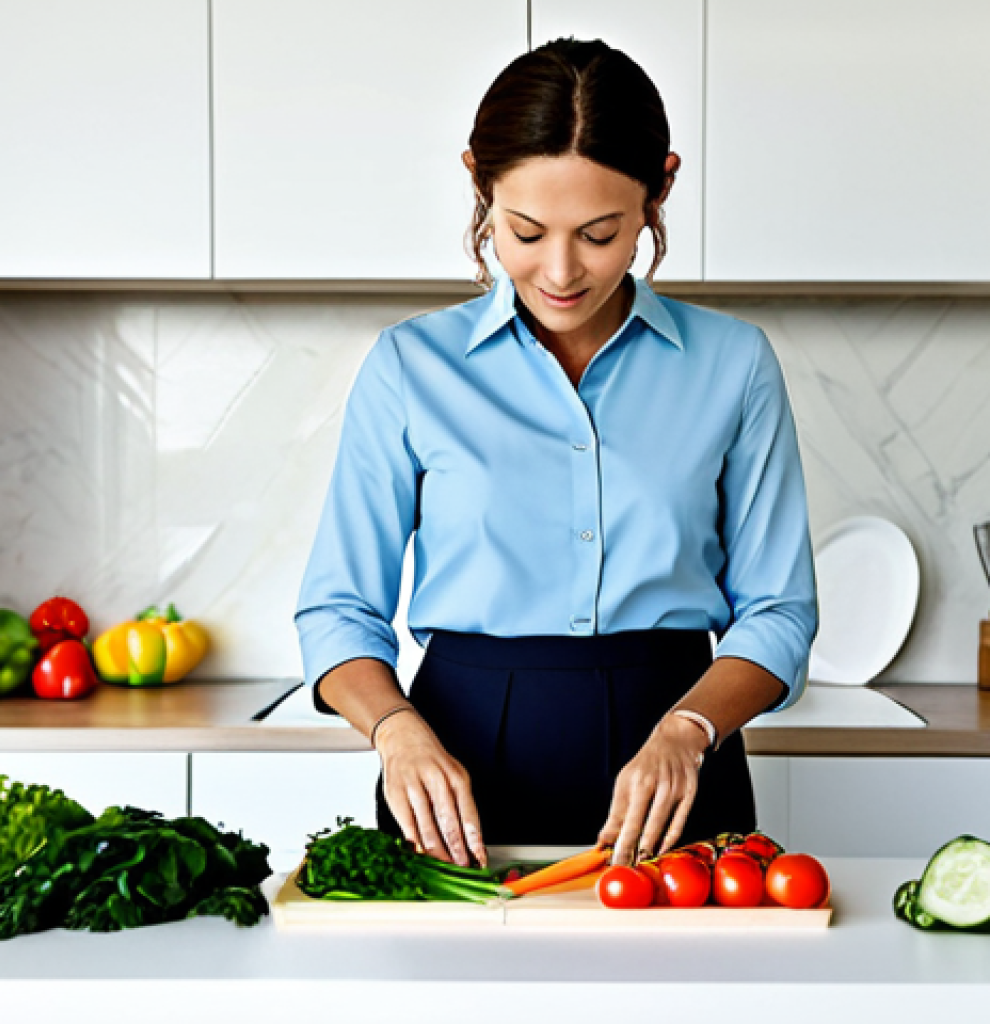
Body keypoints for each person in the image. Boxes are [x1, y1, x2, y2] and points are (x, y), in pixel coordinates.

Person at [295, 38, 817, 870]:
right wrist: (395, 733)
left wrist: (690, 730)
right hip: (455, 773)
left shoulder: (734, 363)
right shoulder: (409, 367)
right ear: (480, 186)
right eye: (526, 231)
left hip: (678, 759)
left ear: (661, 191)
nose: (562, 271)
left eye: (601, 234)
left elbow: (780, 611)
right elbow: (336, 610)